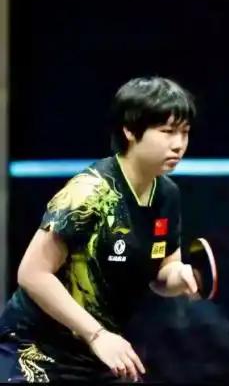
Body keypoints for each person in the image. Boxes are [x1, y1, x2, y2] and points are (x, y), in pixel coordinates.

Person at [0, 77, 200, 382]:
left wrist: (181, 277)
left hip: (99, 353)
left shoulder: (167, 195)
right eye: (167, 131)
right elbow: (32, 274)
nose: (179, 144)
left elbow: (162, 273)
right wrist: (97, 335)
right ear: (130, 130)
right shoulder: (88, 193)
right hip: (35, 348)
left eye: (184, 132)